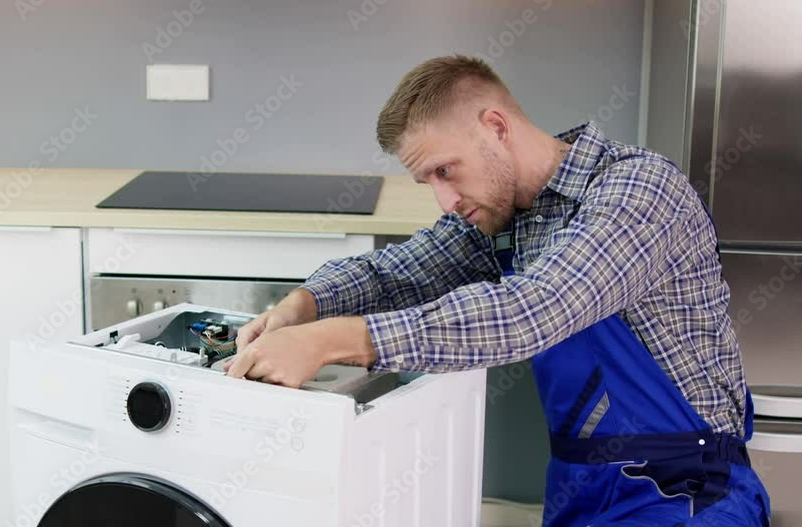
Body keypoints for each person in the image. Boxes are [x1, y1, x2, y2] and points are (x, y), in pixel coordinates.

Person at [223, 54, 771, 526]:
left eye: (446, 170)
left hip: (689, 494)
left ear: (496, 127)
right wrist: (305, 303)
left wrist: (327, 342)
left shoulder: (638, 190)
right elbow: (396, 273)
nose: (444, 200)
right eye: (428, 181)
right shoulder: (504, 220)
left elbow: (531, 310)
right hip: (581, 491)